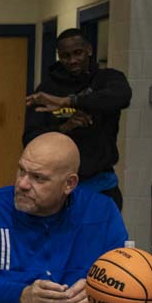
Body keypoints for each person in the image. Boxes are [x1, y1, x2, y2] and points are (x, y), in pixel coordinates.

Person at [0, 132, 128, 303]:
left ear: (69, 184)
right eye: (21, 171)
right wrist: (20, 295)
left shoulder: (102, 213)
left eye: (38, 178)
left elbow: (125, 282)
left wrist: (99, 292)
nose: (22, 184)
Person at [23, 28, 131, 209]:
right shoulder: (47, 90)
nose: (72, 60)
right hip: (58, 187)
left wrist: (68, 101)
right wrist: (65, 128)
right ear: (59, 56)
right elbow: (30, 139)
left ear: (89, 50)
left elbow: (122, 96)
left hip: (100, 184)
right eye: (65, 56)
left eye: (78, 53)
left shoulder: (107, 79)